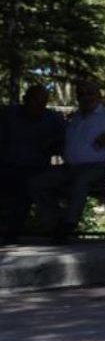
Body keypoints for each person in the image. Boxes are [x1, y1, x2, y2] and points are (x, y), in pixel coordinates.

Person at [29, 80, 105, 243]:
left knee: (81, 181)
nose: (85, 97)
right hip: (69, 168)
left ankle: (68, 225)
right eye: (81, 94)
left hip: (97, 167)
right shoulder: (76, 117)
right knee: (37, 183)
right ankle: (55, 221)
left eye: (89, 93)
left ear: (98, 95)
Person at [0, 85, 65, 244]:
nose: (38, 106)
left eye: (42, 103)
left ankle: (13, 232)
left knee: (29, 185)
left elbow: (65, 140)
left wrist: (52, 144)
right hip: (7, 166)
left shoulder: (53, 119)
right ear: (25, 100)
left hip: (36, 168)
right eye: (34, 102)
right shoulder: (8, 115)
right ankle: (9, 230)